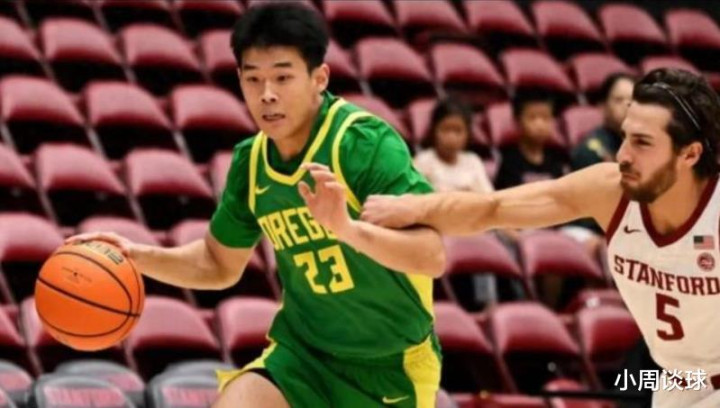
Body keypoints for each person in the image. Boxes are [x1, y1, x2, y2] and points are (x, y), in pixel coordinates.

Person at [67, 4, 446, 408]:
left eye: (282, 77)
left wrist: (348, 230)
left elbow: (431, 255)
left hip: (389, 366)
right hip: (303, 355)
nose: (267, 94)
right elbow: (217, 263)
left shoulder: (364, 146)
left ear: (319, 78)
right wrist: (135, 257)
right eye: (253, 79)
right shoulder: (251, 163)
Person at [361, 68, 720, 408]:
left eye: (642, 143)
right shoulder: (609, 190)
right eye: (625, 136)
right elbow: (493, 208)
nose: (623, 155)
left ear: (690, 154)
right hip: (679, 382)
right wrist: (416, 207)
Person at [414, 98, 494, 193]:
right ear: (434, 130)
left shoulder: (473, 162)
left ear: (468, 134)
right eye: (445, 130)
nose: (451, 138)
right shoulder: (423, 162)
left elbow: (489, 196)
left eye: (458, 131)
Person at [494, 89, 566, 190]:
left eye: (545, 118)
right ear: (517, 121)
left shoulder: (557, 160)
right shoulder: (510, 162)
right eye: (532, 118)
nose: (540, 125)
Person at [571, 72, 636, 171]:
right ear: (602, 107)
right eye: (619, 100)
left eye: (632, 100)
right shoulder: (589, 152)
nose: (627, 106)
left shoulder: (646, 145)